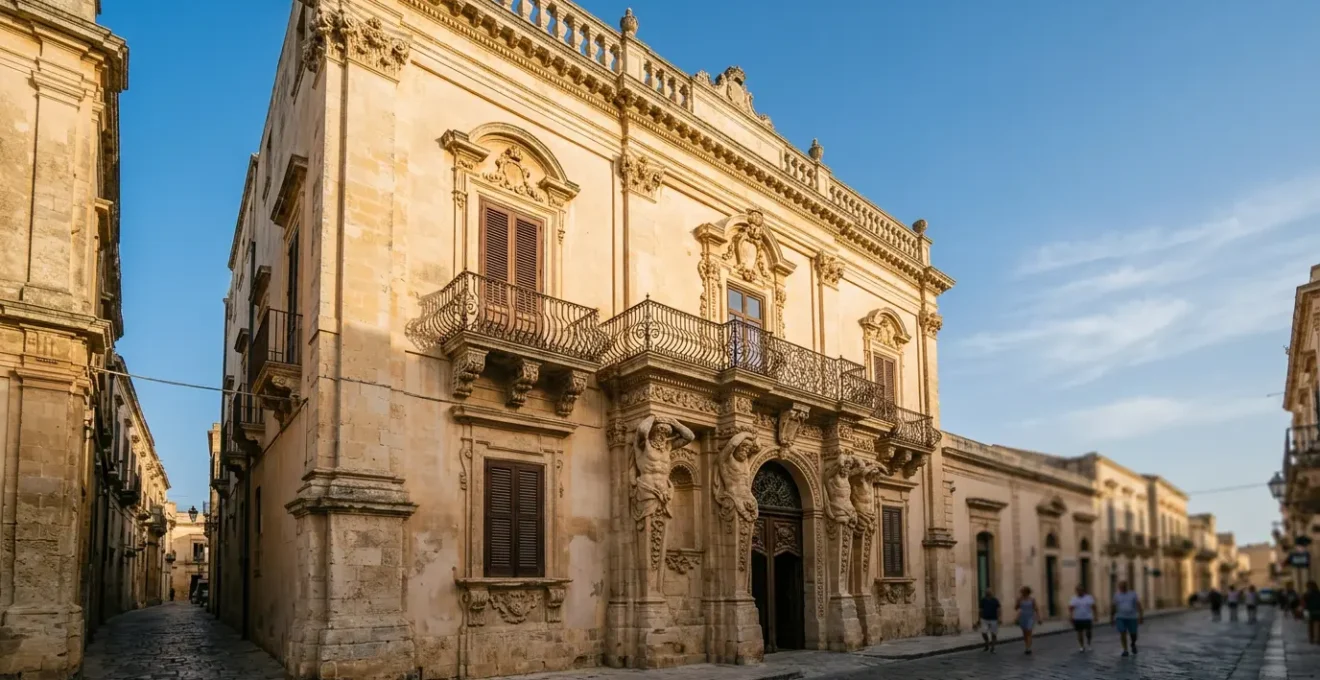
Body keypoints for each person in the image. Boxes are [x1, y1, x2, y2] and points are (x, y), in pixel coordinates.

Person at [1111, 580, 1144, 657]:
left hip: (1132, 617)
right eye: (1120, 586)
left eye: (1123, 586)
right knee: (1122, 632)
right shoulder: (1117, 595)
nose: (1122, 588)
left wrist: (1141, 616)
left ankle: (1133, 643)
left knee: (1133, 634)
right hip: (1120, 617)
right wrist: (1112, 618)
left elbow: (1138, 604)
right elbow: (1113, 606)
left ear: (1126, 586)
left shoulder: (1132, 594)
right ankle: (1125, 650)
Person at [1069, 584, 1096, 652]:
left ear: (1083, 591)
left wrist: (1096, 615)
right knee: (1079, 632)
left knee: (1088, 632)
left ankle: (1089, 644)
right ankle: (1081, 646)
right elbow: (1071, 608)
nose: (1079, 592)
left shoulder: (1088, 597)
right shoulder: (1074, 598)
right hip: (1077, 618)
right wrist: (1071, 616)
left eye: (1080, 590)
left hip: (1087, 617)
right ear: (1076, 591)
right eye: (1078, 590)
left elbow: (1093, 607)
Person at [1015, 586, 1037, 655]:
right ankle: (1026, 645)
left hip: (1030, 617)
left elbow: (1036, 608)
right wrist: (1018, 603)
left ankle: (1028, 648)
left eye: (1023, 592)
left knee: (1029, 632)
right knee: (1025, 633)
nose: (1022, 593)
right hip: (1022, 617)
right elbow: (1016, 608)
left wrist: (1039, 618)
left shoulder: (1032, 599)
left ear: (1027, 592)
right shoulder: (1020, 599)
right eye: (1022, 592)